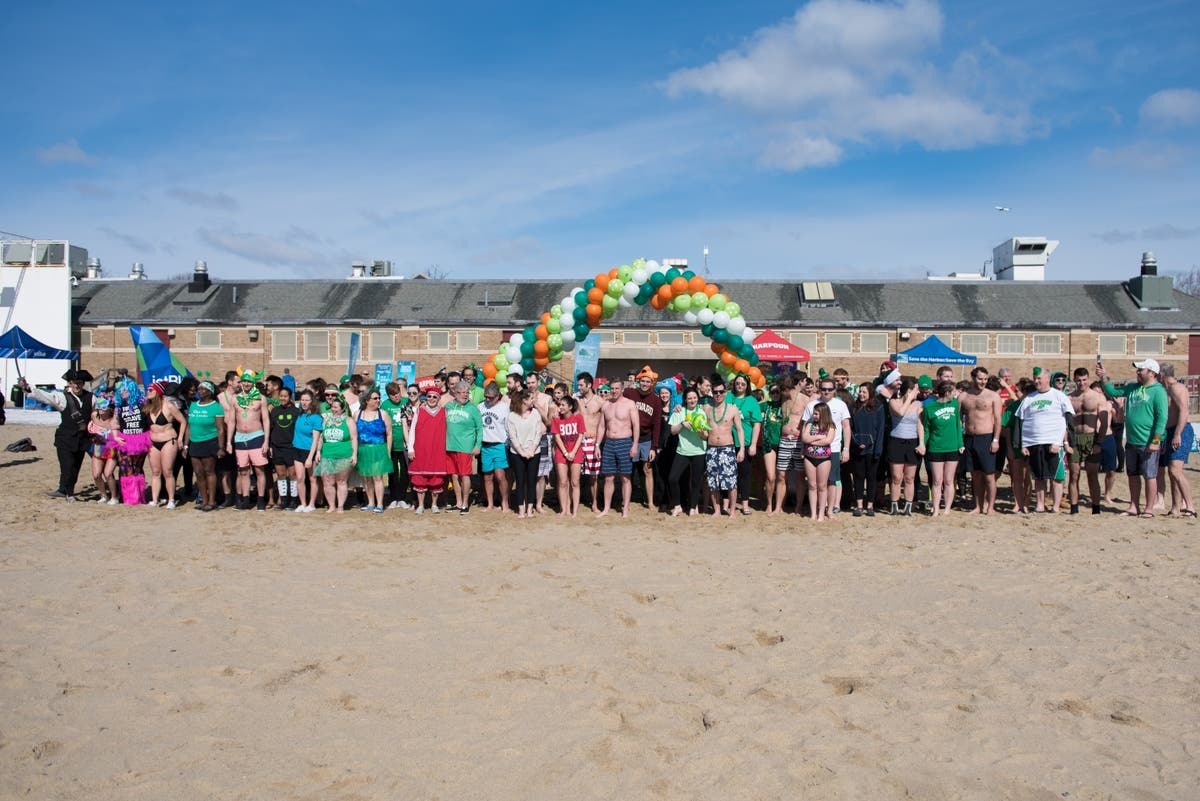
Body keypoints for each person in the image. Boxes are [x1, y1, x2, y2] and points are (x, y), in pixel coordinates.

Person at [1097, 359, 1169, 518]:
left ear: (1151, 372)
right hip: (1131, 440)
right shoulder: (1133, 388)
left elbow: (1161, 418)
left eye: (1140, 370)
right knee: (1133, 474)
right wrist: (1104, 377)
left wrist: (1155, 441)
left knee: (1150, 475)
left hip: (1148, 442)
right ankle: (1134, 506)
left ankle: (1149, 509)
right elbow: (1113, 392)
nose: (1137, 372)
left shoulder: (1158, 391)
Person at [22, 369, 94, 500]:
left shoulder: (92, 397)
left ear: (83, 383)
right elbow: (45, 396)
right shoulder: (62, 397)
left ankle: (63, 489)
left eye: (79, 383)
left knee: (76, 467)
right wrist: (28, 388)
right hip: (65, 439)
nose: (76, 386)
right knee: (67, 465)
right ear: (70, 384)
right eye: (73, 383)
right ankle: (68, 493)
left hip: (82, 439)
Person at [1016, 368, 1074, 514]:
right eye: (1035, 378)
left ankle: (1055, 506)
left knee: (1056, 478)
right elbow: (1020, 422)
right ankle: (1040, 505)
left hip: (1054, 443)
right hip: (1034, 443)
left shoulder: (1059, 396)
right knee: (1039, 476)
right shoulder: (1029, 398)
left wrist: (1061, 442)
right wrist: (1023, 444)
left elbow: (1068, 421)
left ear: (1048, 379)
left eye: (1039, 378)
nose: (1036, 381)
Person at [803, 377, 851, 517]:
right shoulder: (811, 405)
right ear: (820, 389)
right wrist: (803, 447)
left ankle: (830, 510)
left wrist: (846, 449)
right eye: (824, 389)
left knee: (832, 481)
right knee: (815, 483)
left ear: (834, 390)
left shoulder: (840, 405)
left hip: (834, 449)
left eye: (830, 389)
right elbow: (805, 426)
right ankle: (818, 510)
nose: (826, 392)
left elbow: (846, 427)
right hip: (812, 451)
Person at [959, 366, 1003, 515]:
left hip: (986, 438)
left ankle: (990, 507)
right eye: (980, 379)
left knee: (989, 475)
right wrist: (960, 439)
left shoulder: (993, 396)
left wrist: (996, 440)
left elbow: (998, 419)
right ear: (973, 378)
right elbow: (958, 420)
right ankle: (978, 506)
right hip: (970, 438)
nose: (983, 382)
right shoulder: (964, 396)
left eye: (985, 379)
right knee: (975, 475)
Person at [226, 370, 271, 511]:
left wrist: (266, 441)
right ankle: (245, 499)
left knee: (259, 470)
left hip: (256, 436)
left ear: (253, 383)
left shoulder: (261, 398)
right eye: (244, 381)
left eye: (249, 381)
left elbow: (266, 420)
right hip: (240, 437)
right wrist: (228, 441)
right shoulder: (235, 398)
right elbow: (232, 421)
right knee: (243, 471)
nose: (246, 383)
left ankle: (260, 499)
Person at [1066, 367, 1109, 515]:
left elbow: (1104, 423)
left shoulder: (1097, 397)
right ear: (1074, 380)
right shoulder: (1069, 398)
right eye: (1078, 380)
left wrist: (1098, 443)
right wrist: (1066, 442)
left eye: (1084, 380)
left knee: (1092, 474)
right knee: (1074, 474)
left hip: (1091, 438)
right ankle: (1074, 508)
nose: (1081, 383)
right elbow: (1064, 423)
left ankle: (1096, 508)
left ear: (1088, 379)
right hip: (1075, 439)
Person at [918, 380, 964, 516]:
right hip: (936, 447)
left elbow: (958, 425)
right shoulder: (929, 408)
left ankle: (947, 509)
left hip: (952, 447)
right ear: (947, 393)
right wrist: (923, 444)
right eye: (953, 392)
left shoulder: (955, 404)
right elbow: (926, 428)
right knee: (937, 480)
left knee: (949, 480)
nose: (955, 394)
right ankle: (936, 508)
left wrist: (960, 444)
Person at [598, 378, 639, 518]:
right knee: (608, 477)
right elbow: (602, 426)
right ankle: (606, 508)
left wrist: (634, 445)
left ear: (622, 389)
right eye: (612, 388)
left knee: (625, 478)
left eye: (617, 388)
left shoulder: (629, 404)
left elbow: (636, 426)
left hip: (625, 441)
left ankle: (625, 508)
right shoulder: (605, 405)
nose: (614, 391)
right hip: (609, 442)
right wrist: (597, 445)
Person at [310, 392, 357, 514]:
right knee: (327, 482)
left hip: (344, 454)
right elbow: (321, 437)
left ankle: (340, 506)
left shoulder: (349, 421)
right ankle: (331, 505)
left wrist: (354, 454)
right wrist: (318, 451)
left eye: (336, 407)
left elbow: (354, 438)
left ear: (342, 409)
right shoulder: (326, 420)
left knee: (341, 481)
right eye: (332, 407)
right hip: (327, 455)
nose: (333, 409)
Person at [623, 366, 664, 509]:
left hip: (646, 439)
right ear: (638, 380)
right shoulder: (629, 394)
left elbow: (657, 426)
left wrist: (654, 447)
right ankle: (625, 501)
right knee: (627, 470)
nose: (645, 384)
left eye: (648, 382)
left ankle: (650, 501)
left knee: (648, 469)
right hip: (629, 437)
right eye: (643, 381)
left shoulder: (656, 400)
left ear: (652, 383)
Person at [1158, 363, 1195, 517]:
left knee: (1175, 470)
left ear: (1161, 375)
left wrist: (1177, 434)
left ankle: (1191, 507)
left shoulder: (1177, 388)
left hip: (1181, 430)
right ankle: (1175, 507)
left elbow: (1184, 412)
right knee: (1171, 472)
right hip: (1170, 431)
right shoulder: (1167, 389)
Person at [143, 382, 188, 508]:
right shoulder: (148, 407)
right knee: (155, 472)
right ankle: (155, 499)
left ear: (158, 391)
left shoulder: (168, 405)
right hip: (153, 442)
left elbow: (183, 421)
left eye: (151, 390)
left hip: (168, 440)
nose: (148, 392)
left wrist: (180, 439)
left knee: (168, 471)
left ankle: (171, 499)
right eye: (147, 389)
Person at [704, 378, 744, 517]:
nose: (718, 394)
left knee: (731, 482)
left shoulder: (733, 409)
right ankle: (716, 509)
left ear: (725, 393)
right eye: (715, 392)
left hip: (727, 448)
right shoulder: (707, 408)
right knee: (713, 481)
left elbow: (739, 430)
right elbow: (690, 407)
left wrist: (742, 449)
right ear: (712, 392)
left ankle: (732, 510)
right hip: (711, 448)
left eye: (721, 392)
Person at [407, 383, 449, 514]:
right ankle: (420, 505)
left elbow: (448, 431)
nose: (431, 399)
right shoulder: (419, 410)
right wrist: (410, 448)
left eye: (434, 397)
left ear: (438, 399)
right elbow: (412, 430)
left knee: (435, 479)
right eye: (429, 396)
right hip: (421, 449)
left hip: (437, 450)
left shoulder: (443, 412)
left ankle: (434, 504)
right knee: (420, 479)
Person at [667, 387, 709, 516]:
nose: (692, 400)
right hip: (683, 451)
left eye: (694, 397)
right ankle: (678, 505)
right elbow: (673, 431)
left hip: (699, 451)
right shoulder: (679, 411)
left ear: (698, 398)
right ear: (685, 399)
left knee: (696, 481)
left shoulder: (702, 412)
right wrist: (682, 424)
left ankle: (693, 507)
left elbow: (706, 436)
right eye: (689, 398)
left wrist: (701, 432)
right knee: (672, 478)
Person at [444, 379, 483, 514]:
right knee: (454, 476)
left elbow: (480, 429)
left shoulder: (473, 409)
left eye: (467, 393)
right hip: (450, 446)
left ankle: (465, 503)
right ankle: (458, 502)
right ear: (455, 393)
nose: (465, 395)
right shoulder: (448, 407)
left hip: (465, 447)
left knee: (465, 475)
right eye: (462, 392)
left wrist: (477, 446)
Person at [847, 383, 886, 517]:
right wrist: (856, 443)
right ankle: (859, 505)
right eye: (860, 392)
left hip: (872, 449)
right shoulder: (853, 408)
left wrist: (877, 449)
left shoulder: (878, 408)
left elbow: (880, 430)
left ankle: (870, 505)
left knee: (871, 478)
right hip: (857, 449)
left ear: (870, 393)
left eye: (864, 392)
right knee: (858, 477)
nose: (861, 394)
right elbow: (850, 428)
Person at [506, 390, 546, 519]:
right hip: (517, 453)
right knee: (520, 480)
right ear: (524, 400)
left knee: (531, 480)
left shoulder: (535, 414)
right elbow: (513, 437)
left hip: (534, 452)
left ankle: (530, 508)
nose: (533, 401)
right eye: (531, 398)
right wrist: (522, 452)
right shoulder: (512, 416)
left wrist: (532, 450)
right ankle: (521, 508)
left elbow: (538, 432)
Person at [187, 381, 226, 511]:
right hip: (194, 442)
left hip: (210, 441)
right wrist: (186, 445)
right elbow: (189, 426)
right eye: (199, 389)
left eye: (203, 389)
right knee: (198, 473)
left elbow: (220, 429)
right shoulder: (193, 405)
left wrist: (221, 447)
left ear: (210, 391)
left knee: (209, 471)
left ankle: (211, 500)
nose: (200, 391)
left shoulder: (216, 407)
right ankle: (203, 500)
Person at [112, 376, 151, 505]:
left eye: (125, 390)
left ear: (132, 389)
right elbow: (114, 423)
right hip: (125, 440)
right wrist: (116, 436)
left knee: (137, 469)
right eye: (120, 391)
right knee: (125, 468)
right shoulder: (119, 407)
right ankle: (129, 498)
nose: (122, 393)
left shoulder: (143, 404)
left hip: (140, 439)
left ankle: (139, 496)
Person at [887, 376, 922, 515]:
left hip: (912, 441)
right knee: (896, 477)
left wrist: (922, 443)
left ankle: (908, 506)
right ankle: (894, 505)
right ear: (905, 390)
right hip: (896, 441)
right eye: (913, 390)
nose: (915, 393)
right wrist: (908, 398)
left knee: (910, 478)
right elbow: (900, 412)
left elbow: (920, 425)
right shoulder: (894, 402)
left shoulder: (919, 405)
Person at [727, 373, 762, 515]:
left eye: (743, 384)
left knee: (744, 474)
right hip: (728, 442)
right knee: (729, 475)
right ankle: (729, 503)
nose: (740, 386)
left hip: (745, 442)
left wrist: (753, 444)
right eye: (737, 383)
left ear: (747, 386)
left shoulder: (752, 401)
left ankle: (745, 504)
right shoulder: (728, 397)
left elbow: (757, 424)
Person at [354, 388, 392, 513]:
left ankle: (380, 503)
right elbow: (354, 435)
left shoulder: (383, 414)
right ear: (366, 400)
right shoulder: (357, 414)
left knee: (377, 477)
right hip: (363, 449)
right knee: (366, 478)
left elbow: (389, 434)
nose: (378, 400)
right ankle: (370, 502)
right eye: (375, 398)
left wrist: (388, 451)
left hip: (378, 449)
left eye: (379, 398)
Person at [575, 372, 606, 513]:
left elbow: (605, 423)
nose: (579, 387)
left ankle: (594, 503)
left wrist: (599, 442)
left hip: (593, 440)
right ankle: (575, 501)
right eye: (578, 384)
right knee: (576, 474)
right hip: (579, 440)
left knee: (594, 475)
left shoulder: (600, 401)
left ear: (589, 385)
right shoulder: (577, 400)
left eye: (581, 385)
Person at [478, 382, 511, 512]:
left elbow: (508, 427)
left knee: (500, 476)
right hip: (485, 446)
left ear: (497, 396)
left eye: (490, 397)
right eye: (486, 396)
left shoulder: (504, 408)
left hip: (499, 445)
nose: (487, 399)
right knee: (487, 476)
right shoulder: (480, 407)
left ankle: (504, 503)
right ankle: (490, 504)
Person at [551, 395, 585, 517]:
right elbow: (557, 436)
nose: (560, 407)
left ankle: (574, 511)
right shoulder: (556, 419)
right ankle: (564, 509)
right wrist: (565, 452)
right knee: (563, 482)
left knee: (575, 482)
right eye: (559, 405)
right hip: (561, 451)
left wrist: (573, 452)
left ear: (570, 407)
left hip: (576, 451)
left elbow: (581, 435)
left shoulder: (578, 418)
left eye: (563, 405)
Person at [290, 389, 324, 512]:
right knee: (299, 478)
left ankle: (311, 504)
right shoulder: (299, 415)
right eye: (302, 400)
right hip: (297, 449)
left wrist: (310, 457)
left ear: (312, 401)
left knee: (312, 479)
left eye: (307, 400)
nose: (304, 402)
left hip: (310, 451)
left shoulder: (316, 418)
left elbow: (316, 439)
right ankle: (303, 503)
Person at [380, 381, 412, 509]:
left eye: (397, 393)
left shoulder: (406, 402)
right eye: (393, 395)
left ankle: (402, 497)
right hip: (391, 444)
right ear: (388, 395)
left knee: (405, 471)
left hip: (404, 443)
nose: (396, 397)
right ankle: (393, 497)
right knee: (392, 471)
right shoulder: (385, 405)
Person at [267, 387, 299, 509]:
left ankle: (293, 500)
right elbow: (271, 429)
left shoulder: (296, 412)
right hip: (277, 447)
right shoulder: (275, 411)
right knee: (280, 474)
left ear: (290, 397)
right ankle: (284, 500)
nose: (283, 398)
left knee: (292, 474)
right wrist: (270, 445)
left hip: (291, 447)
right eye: (281, 396)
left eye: (285, 396)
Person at [87, 396, 119, 504]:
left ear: (110, 409)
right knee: (96, 475)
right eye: (98, 406)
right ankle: (104, 496)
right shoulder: (94, 416)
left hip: (111, 449)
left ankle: (114, 497)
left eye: (103, 407)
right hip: (98, 448)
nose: (100, 409)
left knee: (108, 473)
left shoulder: (114, 419)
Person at [759, 384, 784, 513]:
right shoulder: (765, 405)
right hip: (768, 443)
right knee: (770, 476)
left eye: (777, 392)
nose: (775, 394)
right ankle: (769, 503)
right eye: (773, 392)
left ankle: (779, 505)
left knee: (782, 476)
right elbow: (750, 409)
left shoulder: (785, 405)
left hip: (783, 442)